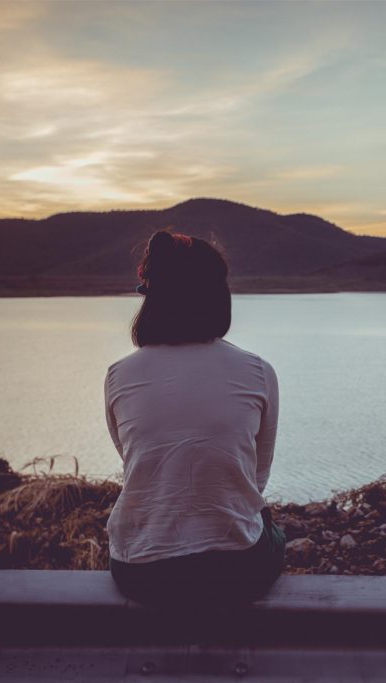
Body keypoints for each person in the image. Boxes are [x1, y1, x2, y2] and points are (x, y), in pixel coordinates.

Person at [104, 230, 284, 606]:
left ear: (150, 298)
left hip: (139, 571)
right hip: (236, 573)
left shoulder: (119, 375)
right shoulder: (257, 371)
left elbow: (136, 462)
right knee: (272, 531)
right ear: (218, 296)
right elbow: (257, 477)